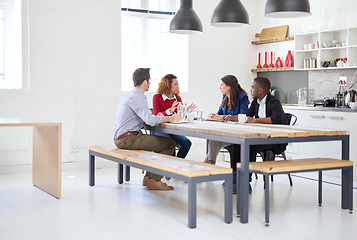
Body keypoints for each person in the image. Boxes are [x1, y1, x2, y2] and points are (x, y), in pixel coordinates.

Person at [113, 68, 181, 191]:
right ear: (145, 82)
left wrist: (158, 117)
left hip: (123, 137)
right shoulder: (138, 97)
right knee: (169, 144)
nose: (150, 83)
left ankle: (148, 178)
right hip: (128, 139)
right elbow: (149, 120)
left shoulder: (130, 95)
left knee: (159, 144)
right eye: (149, 80)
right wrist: (170, 118)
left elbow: (146, 117)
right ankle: (154, 181)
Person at [223, 76, 287, 194]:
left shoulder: (273, 101)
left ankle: (245, 182)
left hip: (274, 140)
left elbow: (278, 118)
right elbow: (246, 116)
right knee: (237, 144)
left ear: (260, 90)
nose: (250, 90)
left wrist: (256, 121)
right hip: (261, 137)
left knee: (249, 146)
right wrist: (228, 118)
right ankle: (235, 177)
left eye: (253, 87)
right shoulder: (255, 103)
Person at [203, 75, 249, 165]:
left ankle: (203, 169)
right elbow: (219, 114)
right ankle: (208, 166)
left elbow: (242, 117)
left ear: (229, 86)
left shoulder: (242, 97)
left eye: (221, 85)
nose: (219, 88)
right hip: (225, 132)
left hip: (237, 134)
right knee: (213, 139)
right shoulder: (225, 97)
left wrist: (220, 117)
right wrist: (213, 116)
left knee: (214, 141)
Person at [152, 74, 195, 158]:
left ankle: (177, 165)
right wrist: (169, 111)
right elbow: (157, 116)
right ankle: (170, 167)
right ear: (167, 85)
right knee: (170, 143)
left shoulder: (177, 98)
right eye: (175, 84)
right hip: (159, 129)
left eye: (178, 84)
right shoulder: (157, 97)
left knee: (187, 143)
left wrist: (185, 112)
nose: (178, 87)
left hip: (173, 130)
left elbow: (179, 117)